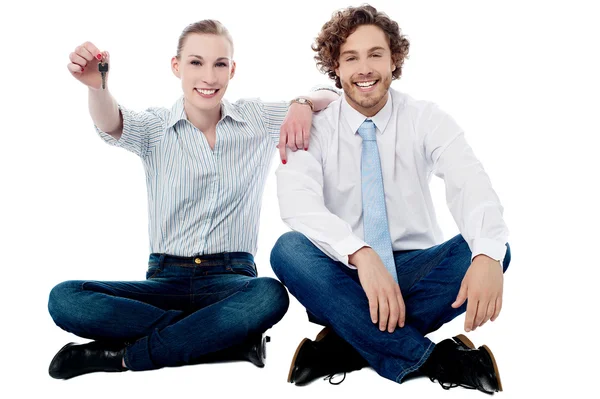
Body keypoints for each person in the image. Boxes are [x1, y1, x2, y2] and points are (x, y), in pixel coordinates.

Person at [47, 19, 338, 380]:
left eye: (219, 64)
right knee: (65, 298)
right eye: (196, 62)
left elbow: (334, 98)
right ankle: (219, 340)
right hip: (164, 279)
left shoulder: (256, 119)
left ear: (232, 70)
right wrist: (97, 88)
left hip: (231, 280)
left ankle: (126, 356)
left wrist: (302, 102)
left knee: (270, 295)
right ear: (177, 67)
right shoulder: (155, 128)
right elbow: (111, 123)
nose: (209, 76)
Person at [270, 4, 511, 394]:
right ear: (336, 67)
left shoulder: (426, 118)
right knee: (288, 250)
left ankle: (347, 344)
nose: (364, 68)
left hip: (414, 275)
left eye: (375, 54)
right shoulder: (312, 129)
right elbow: (298, 204)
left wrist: (486, 254)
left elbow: (471, 183)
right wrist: (361, 254)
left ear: (394, 60)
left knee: (492, 249)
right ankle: (437, 359)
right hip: (341, 273)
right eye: (351, 57)